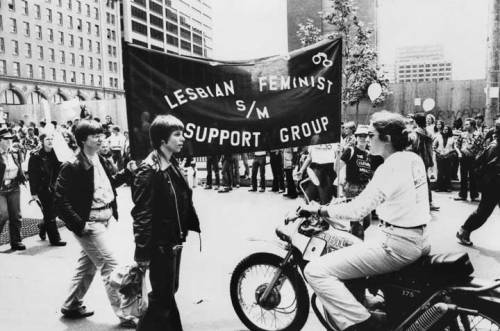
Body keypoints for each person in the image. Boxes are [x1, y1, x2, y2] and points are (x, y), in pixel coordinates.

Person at [297, 111, 430, 331]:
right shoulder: (412, 158)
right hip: (417, 237)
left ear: (386, 139)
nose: (367, 140)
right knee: (352, 245)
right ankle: (366, 300)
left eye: (372, 135)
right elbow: (388, 197)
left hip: (396, 244)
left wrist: (321, 210)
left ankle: (365, 323)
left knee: (315, 271)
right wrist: (342, 202)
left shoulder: (390, 167)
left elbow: (358, 211)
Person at [54, 120, 134, 327]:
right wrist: (80, 225)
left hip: (104, 219)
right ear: (82, 140)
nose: (101, 139)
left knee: (87, 266)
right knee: (109, 266)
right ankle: (126, 314)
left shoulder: (101, 160)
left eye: (101, 135)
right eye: (95, 136)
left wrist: (127, 173)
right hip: (90, 224)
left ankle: (71, 304)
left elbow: (110, 183)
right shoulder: (72, 165)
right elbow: (59, 200)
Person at [131, 114, 201, 331]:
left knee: (167, 293)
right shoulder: (149, 170)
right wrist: (142, 254)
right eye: (177, 135)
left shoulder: (171, 163)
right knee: (163, 296)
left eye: (182, 134)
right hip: (160, 245)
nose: (182, 139)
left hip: (174, 240)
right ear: (163, 139)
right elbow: (142, 215)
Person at [456, 118, 500, 246]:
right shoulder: (496, 146)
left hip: (494, 183)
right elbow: (490, 167)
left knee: (483, 212)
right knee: (483, 212)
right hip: (493, 185)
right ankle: (464, 230)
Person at [28, 133, 66, 246]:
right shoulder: (36, 156)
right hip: (42, 188)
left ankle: (43, 226)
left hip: (53, 186)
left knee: (53, 211)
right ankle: (55, 239)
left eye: (51, 139)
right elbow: (32, 175)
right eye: (47, 139)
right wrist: (33, 193)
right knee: (49, 211)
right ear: (42, 141)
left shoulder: (55, 153)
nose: (50, 141)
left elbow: (60, 168)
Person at [338, 125, 374, 239]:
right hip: (352, 187)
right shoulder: (351, 150)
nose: (363, 138)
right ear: (356, 137)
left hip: (366, 188)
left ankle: (351, 236)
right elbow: (338, 167)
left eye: (365, 136)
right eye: (360, 136)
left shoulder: (369, 154)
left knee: (367, 221)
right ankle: (356, 244)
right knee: (357, 223)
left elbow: (371, 172)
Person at [0, 128, 27, 250]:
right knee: (3, 215)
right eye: (6, 139)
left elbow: (20, 165)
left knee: (16, 215)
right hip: (1, 189)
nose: (9, 141)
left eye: (11, 138)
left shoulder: (15, 152)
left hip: (14, 186)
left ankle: (16, 241)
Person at [409, 113, 439, 211]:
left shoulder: (415, 133)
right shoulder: (428, 132)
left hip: (417, 160)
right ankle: (429, 202)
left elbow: (414, 147)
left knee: (415, 182)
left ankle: (417, 202)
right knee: (426, 181)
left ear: (416, 121)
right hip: (426, 160)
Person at [454, 118, 483, 201]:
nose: (465, 126)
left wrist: (478, 156)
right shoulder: (462, 134)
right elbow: (456, 145)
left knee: (473, 177)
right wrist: (459, 153)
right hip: (463, 157)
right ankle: (462, 195)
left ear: (472, 125)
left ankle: (474, 195)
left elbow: (482, 148)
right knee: (463, 176)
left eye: (467, 124)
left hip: (474, 158)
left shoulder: (478, 135)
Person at [433, 126, 455, 192]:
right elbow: (433, 146)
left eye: (447, 129)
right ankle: (439, 187)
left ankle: (448, 187)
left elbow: (454, 148)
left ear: (449, 130)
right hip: (440, 156)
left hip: (449, 156)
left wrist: (449, 153)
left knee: (448, 172)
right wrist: (438, 153)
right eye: (444, 129)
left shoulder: (452, 138)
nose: (445, 130)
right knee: (440, 172)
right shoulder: (438, 137)